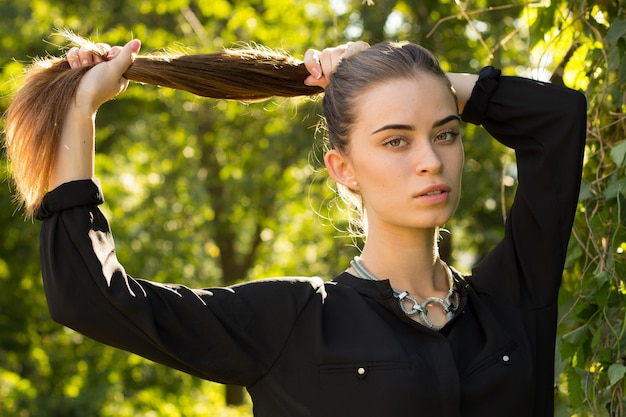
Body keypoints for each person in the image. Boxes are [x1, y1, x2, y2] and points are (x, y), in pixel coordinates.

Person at [20, 37, 586, 417]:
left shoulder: (512, 299)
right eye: (395, 140)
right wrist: (81, 110)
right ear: (343, 170)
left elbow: (557, 122)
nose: (431, 161)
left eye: (446, 133)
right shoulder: (290, 324)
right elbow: (90, 299)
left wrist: (417, 79)